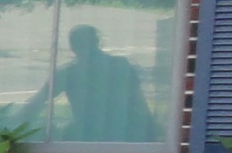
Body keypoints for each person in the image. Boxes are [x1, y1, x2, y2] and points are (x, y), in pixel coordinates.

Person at [23, 24, 157, 143]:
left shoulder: (68, 72)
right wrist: (152, 130)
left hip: (91, 136)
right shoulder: (121, 65)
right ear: (97, 41)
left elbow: (36, 103)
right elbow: (140, 102)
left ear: (72, 47)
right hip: (120, 135)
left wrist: (17, 123)